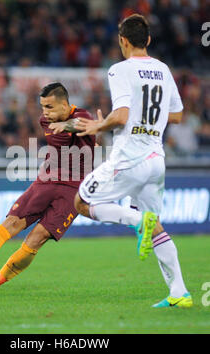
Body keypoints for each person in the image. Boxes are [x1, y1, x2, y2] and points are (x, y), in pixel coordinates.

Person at [73, 14, 192, 308]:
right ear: (148, 40)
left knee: (81, 202)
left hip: (128, 160)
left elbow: (122, 116)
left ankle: (137, 221)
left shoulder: (120, 70)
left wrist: (96, 127)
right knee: (158, 228)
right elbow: (177, 115)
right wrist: (149, 121)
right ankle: (180, 292)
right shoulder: (163, 70)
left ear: (122, 41)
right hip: (156, 161)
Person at [0, 82, 96, 295]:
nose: (44, 113)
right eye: (42, 107)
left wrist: (66, 125)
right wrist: (65, 125)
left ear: (66, 105)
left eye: (49, 107)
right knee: (12, 223)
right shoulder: (46, 120)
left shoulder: (83, 115)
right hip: (47, 181)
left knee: (36, 238)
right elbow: (73, 129)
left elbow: (81, 123)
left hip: (73, 192)